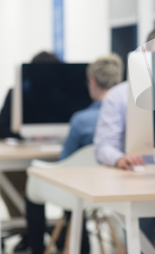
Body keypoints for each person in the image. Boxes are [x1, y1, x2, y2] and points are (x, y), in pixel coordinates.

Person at [93, 27, 155, 246]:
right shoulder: (119, 96)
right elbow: (103, 146)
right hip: (140, 186)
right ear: (145, 55)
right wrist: (119, 158)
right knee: (141, 221)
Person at [27, 54, 123, 254]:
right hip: (116, 189)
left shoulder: (81, 120)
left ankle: (37, 248)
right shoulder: (126, 116)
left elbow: (65, 162)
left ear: (92, 81)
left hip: (82, 191)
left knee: (33, 181)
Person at [0, 51, 60, 252]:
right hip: (20, 162)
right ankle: (28, 232)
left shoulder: (60, 96)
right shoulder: (17, 94)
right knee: (12, 180)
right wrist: (25, 134)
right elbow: (2, 128)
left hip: (55, 162)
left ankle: (57, 232)